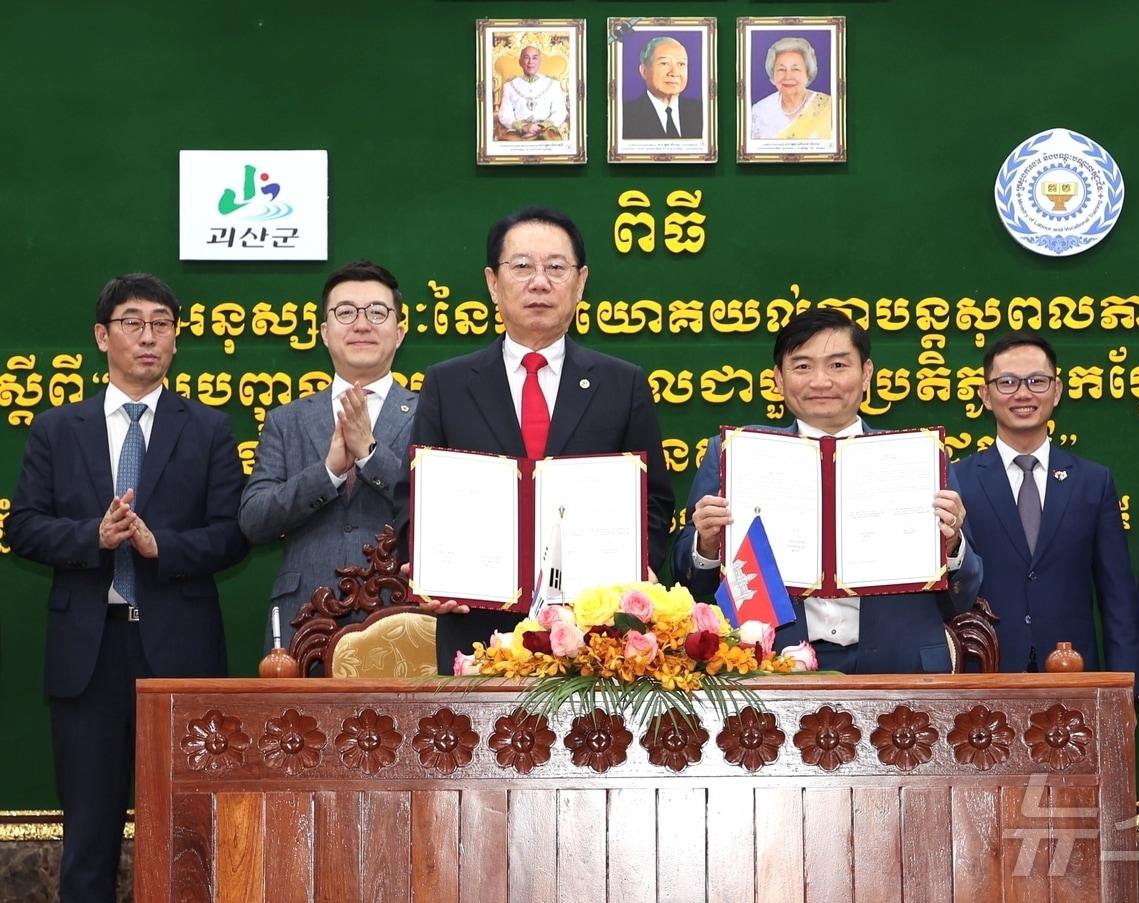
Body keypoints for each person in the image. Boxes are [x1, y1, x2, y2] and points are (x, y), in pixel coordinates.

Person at [8, 274, 248, 903]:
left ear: (175, 338)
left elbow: (232, 536)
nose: (149, 336)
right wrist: (95, 535)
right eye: (133, 322)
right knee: (88, 837)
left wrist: (158, 546)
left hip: (180, 652)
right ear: (101, 336)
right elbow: (23, 526)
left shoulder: (209, 429)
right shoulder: (59, 428)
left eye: (162, 324)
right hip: (90, 653)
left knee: (187, 831)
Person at [396, 206, 675, 673]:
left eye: (556, 268)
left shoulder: (622, 384)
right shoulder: (447, 385)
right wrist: (429, 574)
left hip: (595, 637)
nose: (539, 282)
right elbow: (415, 501)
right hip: (476, 629)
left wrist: (631, 579)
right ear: (492, 282)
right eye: (522, 266)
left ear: (581, 282)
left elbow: (655, 503)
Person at [672, 307, 983, 673]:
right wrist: (707, 544)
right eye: (803, 366)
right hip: (772, 664)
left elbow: (967, 590)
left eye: (838, 365)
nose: (821, 381)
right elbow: (689, 578)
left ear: (866, 374)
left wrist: (950, 547)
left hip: (900, 666)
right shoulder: (735, 456)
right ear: (778, 379)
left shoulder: (920, 458)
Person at [239, 260, 415, 651]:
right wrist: (328, 472)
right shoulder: (287, 420)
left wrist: (369, 454)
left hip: (400, 616)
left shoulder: (430, 412)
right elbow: (254, 520)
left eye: (377, 312)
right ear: (324, 332)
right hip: (302, 619)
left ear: (400, 332)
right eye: (346, 312)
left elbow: (440, 508)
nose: (362, 324)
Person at [954, 331, 1139, 676]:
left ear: (1057, 391)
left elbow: (1118, 597)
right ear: (985, 395)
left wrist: (1127, 685)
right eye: (1007, 382)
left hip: (1073, 674)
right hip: (983, 675)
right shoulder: (957, 481)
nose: (1023, 393)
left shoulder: (1093, 482)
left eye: (1037, 381)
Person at [749, 36, 833, 141]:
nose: (788, 76)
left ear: (808, 73)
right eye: (781, 69)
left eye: (795, 69)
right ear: (773, 74)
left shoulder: (829, 108)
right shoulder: (759, 111)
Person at [622, 36, 702, 140]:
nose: (674, 73)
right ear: (644, 71)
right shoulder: (625, 116)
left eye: (681, 64)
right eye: (664, 63)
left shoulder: (701, 112)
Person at [496, 45, 568, 140]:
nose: (530, 62)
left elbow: (560, 112)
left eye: (534, 58)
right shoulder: (509, 85)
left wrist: (540, 127)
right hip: (518, 132)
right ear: (520, 62)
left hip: (546, 131)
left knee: (553, 139)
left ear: (539, 62)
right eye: (526, 58)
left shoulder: (553, 84)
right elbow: (504, 114)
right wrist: (523, 127)